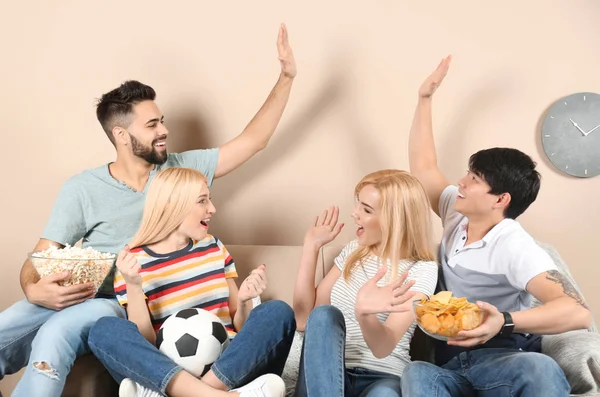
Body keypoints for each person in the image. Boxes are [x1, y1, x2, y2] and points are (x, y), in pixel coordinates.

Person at [0, 24, 297, 397]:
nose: (164, 130)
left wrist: (286, 78)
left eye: (163, 120)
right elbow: (40, 257)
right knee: (7, 325)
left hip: (113, 300)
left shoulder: (181, 172)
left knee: (56, 334)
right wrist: (35, 290)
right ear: (122, 136)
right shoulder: (83, 188)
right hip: (79, 290)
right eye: (152, 124)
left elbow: (254, 141)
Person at [401, 56, 592, 397]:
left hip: (503, 359)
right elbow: (424, 166)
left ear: (500, 199)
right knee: (416, 374)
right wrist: (424, 99)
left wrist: (503, 320)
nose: (460, 182)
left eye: (473, 179)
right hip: (452, 364)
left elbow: (576, 312)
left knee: (540, 368)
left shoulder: (513, 245)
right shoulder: (456, 213)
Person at [88, 167, 296, 397]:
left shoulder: (214, 247)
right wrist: (134, 286)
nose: (212, 209)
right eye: (202, 201)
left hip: (231, 368)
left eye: (209, 200)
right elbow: (146, 343)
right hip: (169, 369)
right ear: (172, 205)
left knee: (277, 311)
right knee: (103, 330)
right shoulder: (133, 262)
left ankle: (184, 393)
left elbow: (241, 329)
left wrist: (245, 300)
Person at [293, 169, 439, 397]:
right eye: (358, 205)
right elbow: (304, 320)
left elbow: (383, 348)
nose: (354, 214)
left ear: (395, 221)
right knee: (324, 315)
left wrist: (365, 313)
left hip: (383, 375)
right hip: (326, 374)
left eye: (366, 209)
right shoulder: (354, 251)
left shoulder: (422, 269)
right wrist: (311, 248)